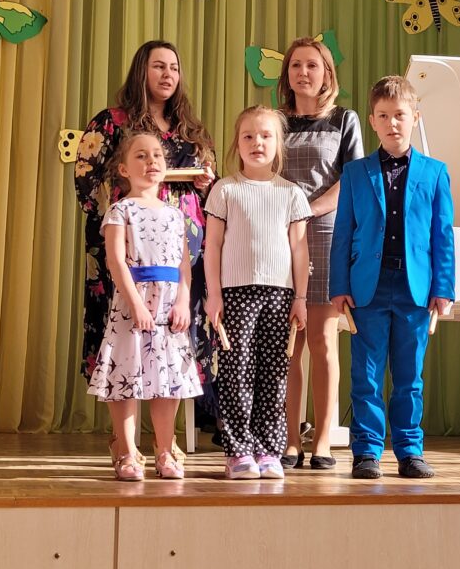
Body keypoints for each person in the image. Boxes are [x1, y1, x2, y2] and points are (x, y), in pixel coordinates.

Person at [74, 41, 217, 446]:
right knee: (127, 341)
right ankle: (123, 441)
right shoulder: (111, 122)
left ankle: (166, 444)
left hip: (179, 256)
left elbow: (211, 190)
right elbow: (86, 183)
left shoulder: (191, 130)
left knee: (173, 339)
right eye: (159, 66)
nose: (168, 74)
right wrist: (139, 199)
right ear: (142, 71)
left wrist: (204, 183)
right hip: (129, 253)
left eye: (174, 67)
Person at [329, 76, 455, 479]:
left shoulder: (436, 173)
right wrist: (339, 286)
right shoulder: (355, 173)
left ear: (415, 117)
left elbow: (443, 235)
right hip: (367, 287)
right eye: (383, 116)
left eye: (400, 115)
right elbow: (343, 232)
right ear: (372, 121)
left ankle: (409, 451)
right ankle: (366, 452)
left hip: (415, 289)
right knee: (365, 376)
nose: (392, 123)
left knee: (409, 378)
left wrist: (443, 287)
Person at [87, 132, 202, 480]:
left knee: (167, 379)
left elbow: (184, 265)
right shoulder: (120, 210)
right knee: (127, 373)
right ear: (124, 168)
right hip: (133, 301)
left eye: (157, 155)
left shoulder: (175, 215)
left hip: (169, 305)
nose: (151, 161)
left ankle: (165, 450)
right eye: (140, 156)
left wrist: (183, 301)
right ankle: (126, 451)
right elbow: (116, 262)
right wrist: (136, 304)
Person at [204, 105, 311, 479]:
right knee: (236, 372)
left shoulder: (291, 194)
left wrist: (300, 298)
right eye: (248, 136)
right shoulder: (225, 189)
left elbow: (299, 250)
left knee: (274, 374)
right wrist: (214, 295)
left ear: (279, 143)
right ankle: (238, 451)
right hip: (235, 295)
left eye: (266, 136)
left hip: (279, 297)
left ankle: (268, 450)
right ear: (237, 143)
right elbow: (213, 246)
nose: (257, 143)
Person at [277, 37, 364, 470]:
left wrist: (308, 210)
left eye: (312, 65)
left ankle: (323, 441)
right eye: (296, 65)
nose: (303, 72)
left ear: (327, 73)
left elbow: (352, 179)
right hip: (278, 234)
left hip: (327, 232)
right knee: (288, 345)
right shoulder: (276, 120)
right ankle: (290, 439)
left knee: (321, 340)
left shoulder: (344, 119)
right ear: (287, 74)